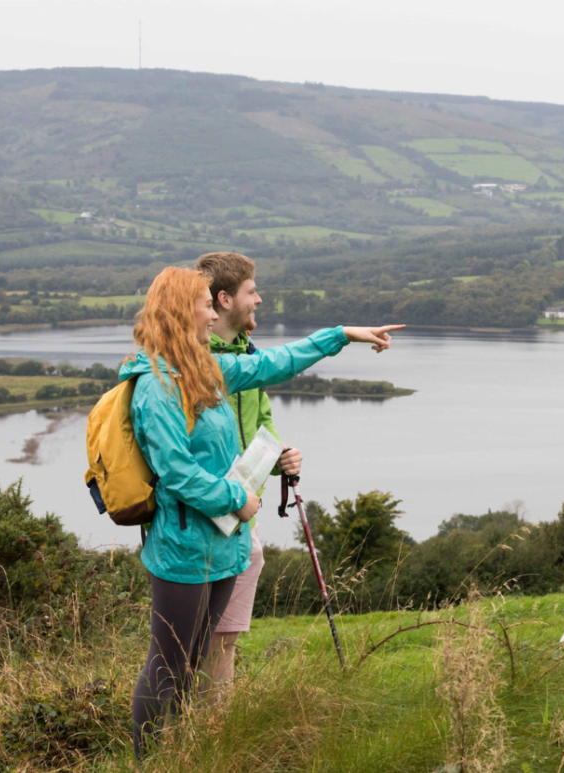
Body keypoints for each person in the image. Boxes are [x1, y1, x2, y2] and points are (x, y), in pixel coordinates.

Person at [123, 265, 401, 755]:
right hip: (183, 550)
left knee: (193, 661)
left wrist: (341, 335)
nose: (213, 315)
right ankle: (146, 760)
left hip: (222, 546)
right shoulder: (158, 386)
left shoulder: (207, 369)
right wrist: (239, 500)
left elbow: (275, 364)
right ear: (181, 312)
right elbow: (177, 473)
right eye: (205, 306)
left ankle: (181, 754)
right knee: (167, 664)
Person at [194, 251, 296, 701]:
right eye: (252, 291)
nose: (259, 299)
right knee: (195, 638)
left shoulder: (246, 354)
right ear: (224, 299)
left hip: (242, 517)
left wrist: (279, 457)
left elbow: (262, 423)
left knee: (226, 638)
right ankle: (189, 727)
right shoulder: (195, 363)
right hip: (203, 516)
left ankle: (218, 726)